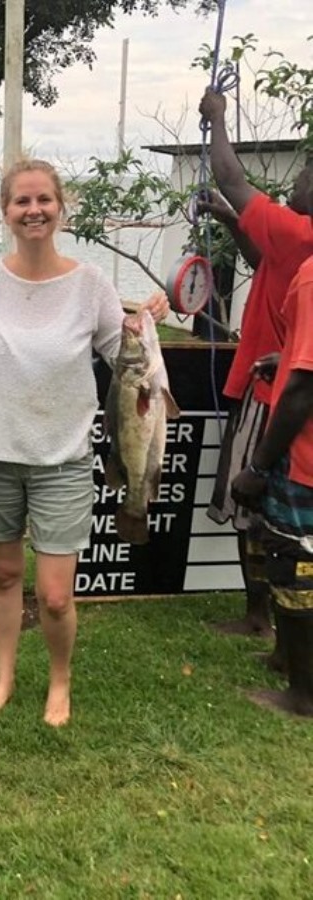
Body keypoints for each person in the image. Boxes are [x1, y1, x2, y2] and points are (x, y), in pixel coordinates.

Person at [0, 159, 169, 725]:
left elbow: (125, 355)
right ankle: (4, 678)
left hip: (64, 458)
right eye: (21, 202)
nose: (33, 211)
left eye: (43, 201)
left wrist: (149, 317)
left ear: (61, 208)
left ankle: (60, 682)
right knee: (5, 576)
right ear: (5, 212)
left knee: (55, 595)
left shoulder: (90, 285)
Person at [198, 87, 313, 649]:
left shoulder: (303, 233)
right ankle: (266, 617)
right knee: (266, 511)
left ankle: (260, 616)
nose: (296, 180)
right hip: (268, 378)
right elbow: (259, 260)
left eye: (307, 174)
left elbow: (230, 175)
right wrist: (229, 219)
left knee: (255, 502)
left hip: (274, 391)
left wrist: (218, 118)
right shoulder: (294, 244)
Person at [231, 254, 313, 717]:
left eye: (303, 179)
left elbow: (304, 387)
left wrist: (259, 467)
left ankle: (302, 693)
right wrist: (286, 360)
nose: (295, 191)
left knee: (295, 564)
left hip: (303, 457)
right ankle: (286, 657)